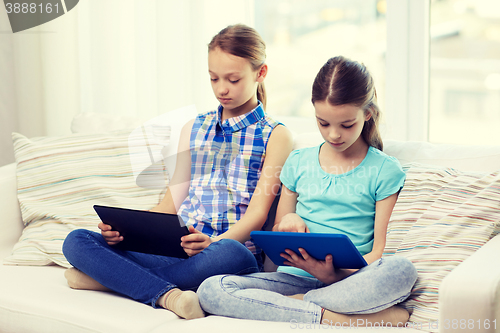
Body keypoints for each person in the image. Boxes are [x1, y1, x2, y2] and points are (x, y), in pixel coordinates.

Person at [62, 24, 293, 320]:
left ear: (260, 73)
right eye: (213, 78)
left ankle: (108, 280)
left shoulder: (275, 135)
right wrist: (127, 232)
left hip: (226, 252)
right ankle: (170, 296)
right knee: (76, 240)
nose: (221, 88)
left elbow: (257, 214)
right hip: (177, 248)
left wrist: (214, 243)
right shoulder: (194, 127)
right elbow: (171, 205)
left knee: (232, 254)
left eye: (233, 79)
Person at [197, 56, 418, 327]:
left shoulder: (384, 170)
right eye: (323, 123)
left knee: (401, 272)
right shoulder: (299, 161)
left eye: (346, 124)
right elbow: (279, 231)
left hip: (350, 280)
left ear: (368, 113)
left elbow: (378, 253)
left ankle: (299, 305)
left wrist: (332, 275)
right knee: (212, 289)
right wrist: (288, 222)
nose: (333, 135)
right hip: (293, 278)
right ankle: (331, 316)